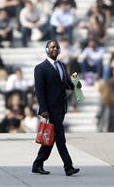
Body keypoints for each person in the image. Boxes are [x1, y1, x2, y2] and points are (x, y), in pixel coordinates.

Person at [32, 40, 80, 176]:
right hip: (50, 109)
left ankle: (37, 164)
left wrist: (76, 84)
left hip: (61, 107)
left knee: (51, 138)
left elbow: (66, 84)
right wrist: (43, 109)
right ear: (47, 50)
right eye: (52, 47)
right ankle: (68, 166)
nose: (55, 49)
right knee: (60, 138)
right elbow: (39, 91)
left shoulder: (62, 65)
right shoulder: (40, 68)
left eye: (57, 47)